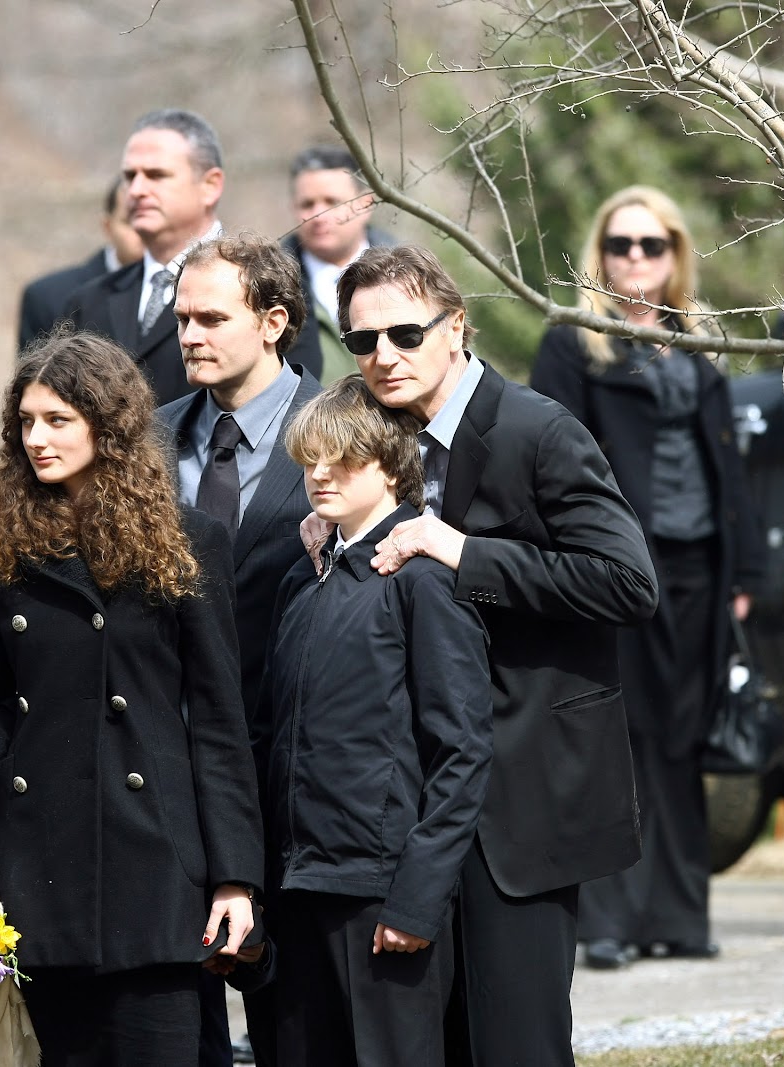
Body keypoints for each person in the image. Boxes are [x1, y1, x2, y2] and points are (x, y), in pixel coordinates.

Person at [320, 245, 659, 1067]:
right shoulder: (373, 436)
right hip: (415, 803)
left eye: (405, 332)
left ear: (457, 326)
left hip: (525, 791)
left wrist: (465, 552)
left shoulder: (537, 429)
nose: (383, 356)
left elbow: (627, 582)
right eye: (362, 341)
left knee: (517, 1046)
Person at [0, 330, 265, 1065]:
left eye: (57, 420)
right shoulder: (0, 539)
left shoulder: (188, 540)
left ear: (107, 426)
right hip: (31, 872)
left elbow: (218, 723)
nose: (37, 438)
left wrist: (235, 879)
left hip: (154, 866)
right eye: (25, 422)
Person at [530, 186, 764, 968]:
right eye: (621, 244)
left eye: (652, 245)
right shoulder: (573, 342)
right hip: (615, 569)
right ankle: (608, 920)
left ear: (675, 256)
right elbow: (550, 464)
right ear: (599, 254)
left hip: (698, 567)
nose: (635, 258)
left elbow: (728, 460)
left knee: (679, 739)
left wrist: (745, 571)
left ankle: (679, 915)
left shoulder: (696, 336)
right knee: (615, 739)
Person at [259, 376, 492, 1066]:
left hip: (381, 901)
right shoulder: (301, 580)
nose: (319, 473)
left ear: (390, 463)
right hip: (298, 893)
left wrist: (417, 899)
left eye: (342, 458)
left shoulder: (421, 581)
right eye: (309, 458)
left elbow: (463, 749)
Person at [156, 233, 321, 1066]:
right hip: (167, 777)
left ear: (273, 321)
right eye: (182, 317)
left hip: (296, 775)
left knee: (297, 1027)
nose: (189, 334)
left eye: (211, 317)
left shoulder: (344, 432)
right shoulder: (143, 444)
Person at [61, 110, 226, 405]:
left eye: (156, 175)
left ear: (210, 185)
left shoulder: (263, 287)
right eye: (129, 177)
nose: (135, 191)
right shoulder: (89, 302)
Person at [281, 146, 395, 384]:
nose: (318, 216)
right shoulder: (273, 286)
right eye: (307, 204)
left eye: (332, 202)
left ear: (365, 205)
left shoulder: (408, 274)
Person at [17, 175, 145, 353]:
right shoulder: (48, 297)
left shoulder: (183, 290)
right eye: (131, 221)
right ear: (108, 226)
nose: (144, 229)